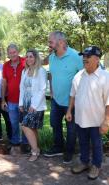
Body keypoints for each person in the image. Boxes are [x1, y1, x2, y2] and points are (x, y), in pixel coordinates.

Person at [66, 46, 109, 180]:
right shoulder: (79, 75)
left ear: (97, 59)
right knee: (83, 142)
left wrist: (106, 121)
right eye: (83, 56)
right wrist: (69, 111)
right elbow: (73, 95)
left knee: (96, 144)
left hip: (96, 121)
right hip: (80, 119)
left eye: (88, 56)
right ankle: (84, 162)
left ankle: (96, 165)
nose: (84, 59)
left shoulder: (105, 77)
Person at [43, 31, 83, 164]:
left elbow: (87, 74)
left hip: (72, 102)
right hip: (56, 100)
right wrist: (53, 92)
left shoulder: (75, 56)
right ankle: (58, 147)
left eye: (50, 42)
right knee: (55, 125)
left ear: (60, 42)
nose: (48, 44)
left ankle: (69, 151)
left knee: (71, 129)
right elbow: (52, 75)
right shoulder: (52, 57)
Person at [19, 49, 47, 161]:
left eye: (31, 56)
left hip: (36, 105)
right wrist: (21, 103)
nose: (29, 59)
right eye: (27, 57)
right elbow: (21, 88)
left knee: (24, 125)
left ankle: (34, 151)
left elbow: (42, 89)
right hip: (26, 103)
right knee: (32, 128)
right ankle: (37, 149)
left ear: (35, 58)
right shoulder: (25, 71)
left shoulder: (41, 71)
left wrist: (34, 105)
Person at [1, 43, 29, 155]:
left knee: (25, 123)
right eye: (10, 52)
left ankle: (26, 143)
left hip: (25, 100)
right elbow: (4, 83)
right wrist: (3, 99)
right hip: (11, 100)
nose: (12, 54)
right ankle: (15, 142)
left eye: (14, 52)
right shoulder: (5, 65)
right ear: (8, 54)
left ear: (17, 52)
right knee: (13, 123)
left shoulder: (25, 62)